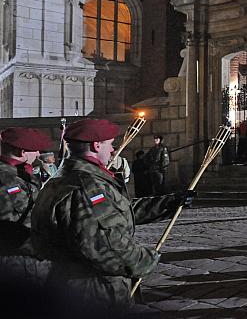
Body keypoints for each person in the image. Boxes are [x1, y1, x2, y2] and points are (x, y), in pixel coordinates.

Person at [29, 118, 195, 310]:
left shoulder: (66, 177)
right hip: (92, 291)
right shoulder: (86, 187)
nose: (112, 150)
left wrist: (169, 203)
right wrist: (146, 259)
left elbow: (115, 211)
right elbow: (107, 247)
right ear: (96, 145)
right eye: (109, 144)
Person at [1, 127, 55, 286]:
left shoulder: (22, 174)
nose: (38, 154)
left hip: (32, 261)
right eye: (35, 150)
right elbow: (9, 228)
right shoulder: (5, 179)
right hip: (15, 264)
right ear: (22, 152)